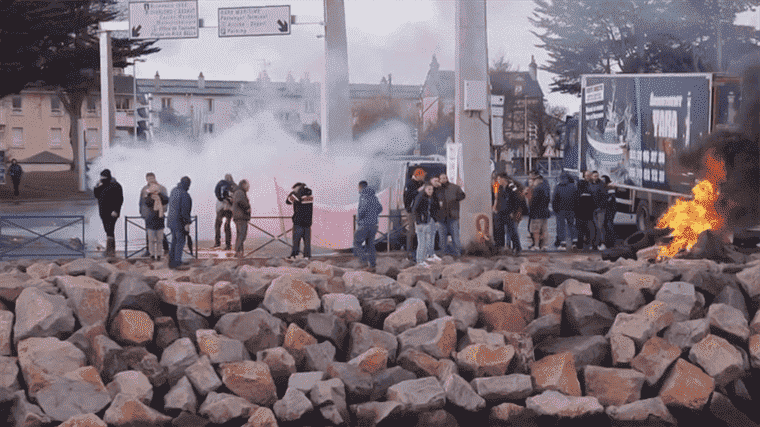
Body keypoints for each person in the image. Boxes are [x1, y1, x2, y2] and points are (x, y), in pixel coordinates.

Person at [94, 169, 124, 258]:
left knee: (110, 229)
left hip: (112, 212)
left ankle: (111, 250)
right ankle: (110, 249)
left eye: (104, 177)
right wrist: (96, 187)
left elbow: (120, 199)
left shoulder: (116, 185)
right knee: (107, 230)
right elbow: (96, 195)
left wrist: (116, 210)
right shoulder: (101, 185)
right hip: (103, 211)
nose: (102, 179)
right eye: (101, 177)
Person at [354, 180, 383, 270]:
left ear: (360, 187)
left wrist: (359, 219)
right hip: (374, 224)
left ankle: (363, 261)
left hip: (365, 224)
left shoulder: (363, 196)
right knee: (370, 245)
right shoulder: (374, 196)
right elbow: (380, 208)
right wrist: (373, 215)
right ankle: (373, 265)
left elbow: (362, 210)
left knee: (356, 242)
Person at [435, 173, 466, 257]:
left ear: (447, 178)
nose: (443, 179)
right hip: (441, 217)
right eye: (441, 178)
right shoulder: (437, 189)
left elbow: (463, 195)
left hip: (453, 215)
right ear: (439, 180)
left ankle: (458, 254)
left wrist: (455, 200)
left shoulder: (455, 187)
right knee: (442, 238)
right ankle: (443, 254)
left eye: (445, 178)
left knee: (455, 237)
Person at [139, 172, 168, 258]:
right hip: (148, 215)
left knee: (160, 234)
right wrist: (142, 212)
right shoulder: (144, 189)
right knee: (150, 234)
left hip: (159, 214)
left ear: (155, 178)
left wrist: (163, 210)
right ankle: (150, 252)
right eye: (148, 179)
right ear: (146, 180)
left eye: (152, 178)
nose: (150, 180)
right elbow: (142, 202)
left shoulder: (161, 188)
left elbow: (166, 200)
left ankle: (164, 250)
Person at [493, 173, 522, 255]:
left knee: (512, 231)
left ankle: (517, 248)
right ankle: (501, 248)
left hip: (509, 213)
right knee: (500, 231)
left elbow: (517, 199)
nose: (498, 181)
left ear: (503, 179)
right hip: (501, 212)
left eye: (499, 179)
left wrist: (514, 211)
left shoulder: (512, 186)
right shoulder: (500, 188)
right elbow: (498, 198)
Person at [167, 176, 192, 269]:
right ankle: (177, 262)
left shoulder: (174, 191)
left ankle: (171, 262)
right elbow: (184, 211)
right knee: (180, 241)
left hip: (171, 220)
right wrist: (187, 223)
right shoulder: (184, 194)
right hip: (179, 222)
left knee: (174, 241)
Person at [412, 182, 439, 266]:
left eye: (432, 189)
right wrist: (419, 220)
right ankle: (420, 261)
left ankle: (423, 259)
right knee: (421, 243)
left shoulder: (427, 197)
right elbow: (414, 209)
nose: (431, 191)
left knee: (425, 241)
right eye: (429, 189)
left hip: (425, 222)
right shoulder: (421, 196)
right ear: (425, 189)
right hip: (421, 223)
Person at [403, 168, 426, 261]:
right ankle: (410, 252)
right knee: (412, 232)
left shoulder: (422, 183)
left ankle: (420, 251)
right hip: (412, 211)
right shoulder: (409, 184)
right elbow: (408, 197)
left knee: (421, 231)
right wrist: (409, 209)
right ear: (418, 175)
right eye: (422, 175)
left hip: (421, 211)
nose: (424, 177)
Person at [286, 182, 313, 260]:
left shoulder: (296, 194)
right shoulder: (309, 194)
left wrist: (293, 192)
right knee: (307, 242)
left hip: (298, 221)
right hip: (308, 222)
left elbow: (288, 201)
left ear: (297, 187)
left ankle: (294, 256)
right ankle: (307, 256)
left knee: (296, 241)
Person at [552, 172, 578, 250]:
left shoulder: (558, 187)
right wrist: (575, 209)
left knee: (561, 227)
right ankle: (574, 242)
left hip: (560, 210)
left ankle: (563, 244)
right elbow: (577, 199)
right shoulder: (573, 186)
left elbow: (554, 200)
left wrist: (555, 209)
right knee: (572, 226)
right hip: (571, 210)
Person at [213, 174, 236, 250]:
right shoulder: (231, 184)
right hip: (224, 207)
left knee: (224, 225)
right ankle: (220, 243)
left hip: (225, 208)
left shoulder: (223, 183)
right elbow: (217, 192)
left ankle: (225, 244)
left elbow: (217, 192)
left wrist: (226, 200)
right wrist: (224, 199)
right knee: (221, 225)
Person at [528, 174, 551, 251]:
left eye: (534, 180)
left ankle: (537, 246)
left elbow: (533, 202)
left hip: (537, 213)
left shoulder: (536, 189)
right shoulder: (546, 188)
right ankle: (545, 245)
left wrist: (530, 211)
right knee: (544, 230)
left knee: (536, 231)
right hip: (545, 212)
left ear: (537, 180)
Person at [576, 171, 595, 250]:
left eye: (588, 175)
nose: (587, 177)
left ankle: (588, 244)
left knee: (588, 229)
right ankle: (580, 245)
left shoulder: (592, 185)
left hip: (589, 212)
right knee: (580, 229)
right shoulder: (581, 184)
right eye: (586, 175)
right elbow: (577, 197)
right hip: (580, 211)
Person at [232, 179, 251, 258]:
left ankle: (239, 252)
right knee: (242, 234)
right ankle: (238, 252)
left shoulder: (237, 192)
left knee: (240, 234)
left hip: (238, 216)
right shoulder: (240, 192)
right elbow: (240, 202)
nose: (248, 188)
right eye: (247, 186)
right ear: (243, 184)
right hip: (241, 216)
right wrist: (247, 208)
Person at [590, 170, 607, 250]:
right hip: (593, 209)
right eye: (594, 176)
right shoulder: (590, 184)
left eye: (597, 176)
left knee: (600, 227)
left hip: (600, 209)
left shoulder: (601, 185)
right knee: (594, 227)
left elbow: (604, 197)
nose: (595, 177)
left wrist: (600, 207)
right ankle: (595, 244)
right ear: (592, 176)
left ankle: (602, 243)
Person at [602, 175, 617, 249]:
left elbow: (610, 199)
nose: (602, 181)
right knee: (606, 225)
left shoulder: (609, 188)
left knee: (609, 225)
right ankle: (609, 243)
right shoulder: (605, 187)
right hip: (608, 209)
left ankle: (610, 243)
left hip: (610, 209)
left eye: (603, 180)